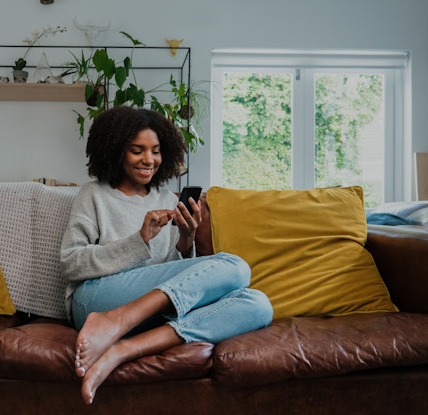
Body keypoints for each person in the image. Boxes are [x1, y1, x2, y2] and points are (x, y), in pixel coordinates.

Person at [60, 106, 273, 405]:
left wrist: (185, 239)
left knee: (259, 305)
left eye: (156, 151)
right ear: (115, 150)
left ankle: (122, 350)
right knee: (235, 266)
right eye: (137, 150)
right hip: (94, 301)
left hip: (147, 313)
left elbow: (170, 283)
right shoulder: (93, 195)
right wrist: (139, 239)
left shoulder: (164, 199)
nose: (149, 160)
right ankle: (113, 320)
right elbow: (71, 263)